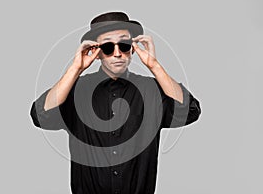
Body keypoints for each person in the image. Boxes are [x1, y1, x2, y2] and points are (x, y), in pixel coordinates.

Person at [30, 11, 201, 194]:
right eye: (108, 47)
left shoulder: (151, 90)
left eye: (124, 45)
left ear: (133, 48)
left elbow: (189, 111)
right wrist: (75, 68)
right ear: (96, 52)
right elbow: (42, 116)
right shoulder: (75, 92)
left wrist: (154, 65)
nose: (117, 53)